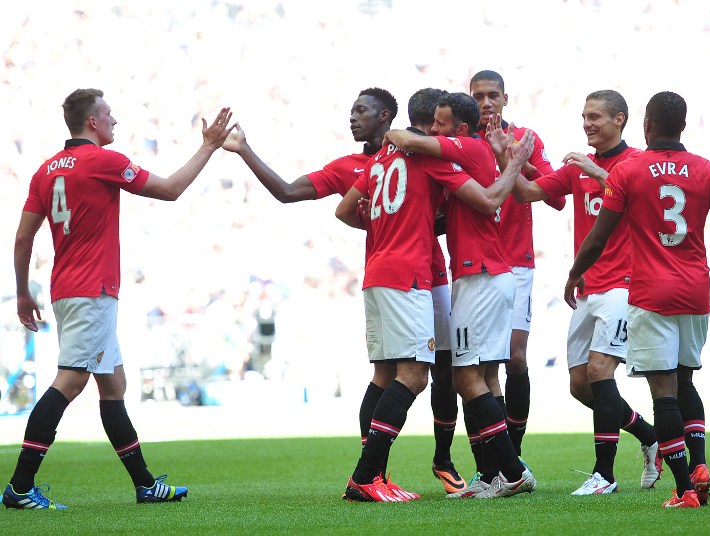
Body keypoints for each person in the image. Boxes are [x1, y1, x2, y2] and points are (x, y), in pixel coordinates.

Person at [222, 89, 467, 493]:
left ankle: (442, 460)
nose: (351, 118)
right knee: (394, 374)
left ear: (386, 115)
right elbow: (287, 191)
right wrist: (245, 150)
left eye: (360, 111)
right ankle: (373, 473)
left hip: (430, 274)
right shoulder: (349, 167)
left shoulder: (419, 151)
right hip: (402, 277)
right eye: (351, 111)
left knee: (443, 369)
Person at [3, 88, 234, 509]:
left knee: (113, 385)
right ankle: (19, 487)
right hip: (93, 292)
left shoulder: (45, 171)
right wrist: (208, 147)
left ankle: (145, 484)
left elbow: (22, 238)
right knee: (70, 381)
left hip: (67, 289)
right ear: (92, 121)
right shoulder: (104, 161)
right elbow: (170, 189)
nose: (115, 121)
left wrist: (23, 292)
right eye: (108, 114)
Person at [338, 88, 536, 501]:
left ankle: (499, 471)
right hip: (421, 275)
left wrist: (392, 227)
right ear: (432, 125)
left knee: (439, 376)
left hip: (390, 273)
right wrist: (513, 164)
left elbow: (344, 210)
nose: (440, 134)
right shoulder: (433, 157)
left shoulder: (380, 158)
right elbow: (486, 200)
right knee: (432, 375)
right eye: (438, 125)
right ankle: (369, 476)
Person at [564, 90, 710, 508]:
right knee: (687, 379)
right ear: (683, 126)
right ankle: (700, 461)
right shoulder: (709, 171)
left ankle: (685, 488)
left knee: (663, 392)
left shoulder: (629, 172)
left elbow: (598, 237)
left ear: (646, 125)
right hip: (695, 291)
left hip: (651, 292)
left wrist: (574, 273)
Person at [510, 90, 661, 495]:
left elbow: (644, 203)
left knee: (599, 372)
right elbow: (527, 193)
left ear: (620, 119)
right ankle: (649, 437)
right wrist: (512, 158)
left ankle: (605, 476)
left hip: (624, 284)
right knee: (580, 385)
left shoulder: (635, 163)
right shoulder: (576, 168)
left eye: (595, 116)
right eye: (584, 116)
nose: (587, 123)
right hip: (588, 285)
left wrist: (594, 171)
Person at [468, 69, 566, 467]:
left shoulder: (526, 138)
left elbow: (554, 193)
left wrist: (514, 158)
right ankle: (490, 462)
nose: (486, 102)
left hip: (517, 260)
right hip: (474, 264)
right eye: (478, 96)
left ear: (506, 99)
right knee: (475, 365)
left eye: (493, 95)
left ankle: (515, 454)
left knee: (515, 357)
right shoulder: (462, 142)